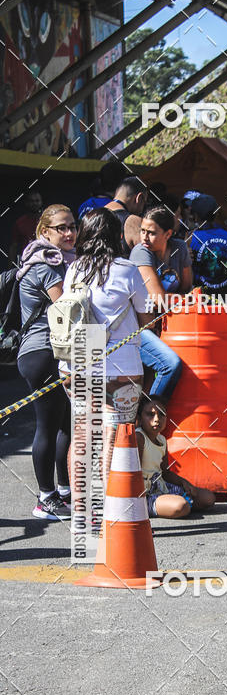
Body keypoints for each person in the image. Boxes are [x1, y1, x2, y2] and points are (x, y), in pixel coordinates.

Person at [60, 209, 153, 485]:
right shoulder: (128, 270)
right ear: (116, 235)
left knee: (82, 436)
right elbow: (147, 321)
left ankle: (80, 515)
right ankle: (107, 517)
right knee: (113, 436)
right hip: (120, 368)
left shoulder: (73, 270)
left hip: (76, 365)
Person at [16, 204, 75, 519]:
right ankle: (46, 498)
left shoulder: (56, 261)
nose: (69, 233)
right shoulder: (46, 264)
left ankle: (63, 491)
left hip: (49, 353)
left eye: (72, 226)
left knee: (66, 422)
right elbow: (66, 307)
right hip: (42, 354)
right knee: (48, 426)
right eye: (61, 228)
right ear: (45, 232)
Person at [130, 206, 191, 403]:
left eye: (152, 233)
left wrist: (178, 298)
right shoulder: (141, 252)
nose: (144, 237)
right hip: (138, 327)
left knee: (150, 380)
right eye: (142, 231)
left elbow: (189, 289)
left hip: (169, 325)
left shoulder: (180, 248)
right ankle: (152, 413)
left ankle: (147, 420)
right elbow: (158, 299)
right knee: (170, 365)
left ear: (168, 234)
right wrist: (179, 299)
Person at [136, 397, 215, 518]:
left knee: (208, 498)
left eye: (161, 415)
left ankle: (170, 504)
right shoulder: (139, 437)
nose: (157, 419)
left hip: (161, 487)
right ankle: (155, 507)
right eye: (150, 414)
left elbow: (165, 473)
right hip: (144, 495)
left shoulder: (162, 439)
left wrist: (184, 483)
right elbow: (134, 474)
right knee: (181, 506)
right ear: (140, 419)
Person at [189, 194, 227, 295]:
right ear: (216, 214)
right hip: (226, 299)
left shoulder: (191, 239)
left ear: (195, 215)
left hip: (200, 300)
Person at [104, 176, 148, 258]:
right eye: (144, 202)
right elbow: (146, 259)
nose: (142, 210)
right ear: (139, 198)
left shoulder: (91, 216)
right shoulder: (134, 222)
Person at [8, 189, 42, 267]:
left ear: (41, 202)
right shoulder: (20, 222)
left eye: (37, 201)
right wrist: (10, 267)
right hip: (27, 261)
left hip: (45, 259)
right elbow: (14, 246)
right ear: (27, 203)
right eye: (31, 201)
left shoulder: (47, 221)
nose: (34, 203)